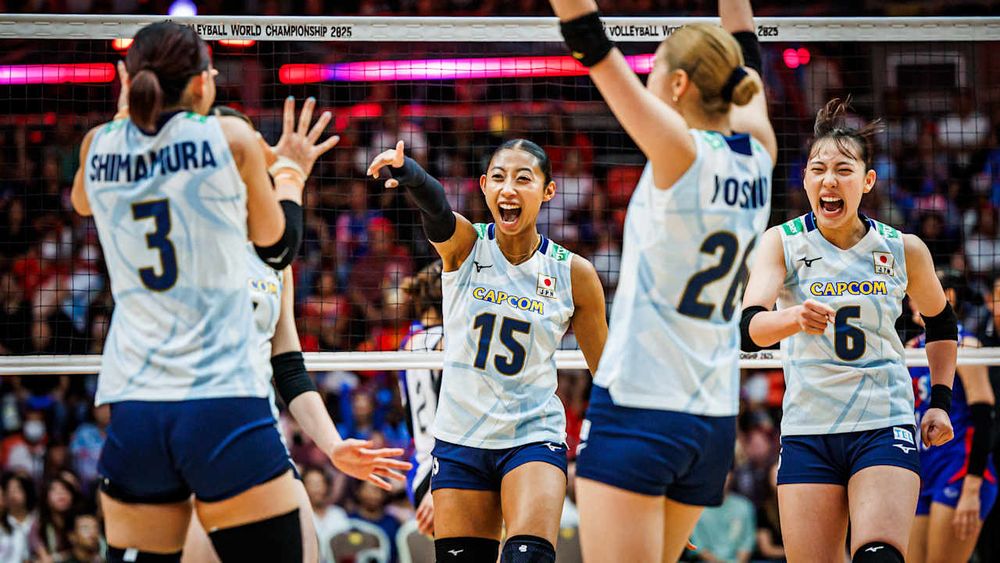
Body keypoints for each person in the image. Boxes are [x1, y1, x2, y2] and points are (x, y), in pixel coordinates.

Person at [69, 21, 338, 562]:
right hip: (219, 397)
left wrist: (129, 107)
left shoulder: (97, 145)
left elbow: (81, 202)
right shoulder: (230, 138)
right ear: (203, 85)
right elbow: (279, 246)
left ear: (129, 78)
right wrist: (290, 174)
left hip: (136, 406)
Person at [547, 0, 775, 560]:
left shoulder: (679, 150)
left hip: (642, 410)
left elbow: (590, 45)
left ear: (677, 84)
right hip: (713, 420)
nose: (643, 77)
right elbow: (746, 49)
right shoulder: (760, 153)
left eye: (651, 69)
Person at [176, 106, 412, 563]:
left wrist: (333, 445)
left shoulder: (273, 260)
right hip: (193, 433)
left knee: (305, 546)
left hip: (259, 430)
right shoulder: (188, 234)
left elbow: (287, 365)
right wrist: (290, 178)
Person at [367, 134, 608, 563]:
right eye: (498, 178)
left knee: (527, 557)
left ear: (548, 191)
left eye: (522, 179)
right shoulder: (464, 247)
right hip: (461, 440)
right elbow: (437, 209)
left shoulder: (575, 274)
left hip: (532, 436)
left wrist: (641, 469)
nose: (508, 189)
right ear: (483, 186)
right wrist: (410, 174)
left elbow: (607, 377)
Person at [740, 98, 958, 563]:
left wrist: (940, 401)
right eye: (818, 169)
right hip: (809, 427)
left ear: (867, 181)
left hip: (884, 421)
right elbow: (748, 328)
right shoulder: (782, 242)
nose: (829, 180)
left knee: (879, 556)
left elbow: (941, 321)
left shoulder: (903, 248)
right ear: (805, 180)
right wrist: (792, 318)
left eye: (843, 169)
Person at [907, 275, 996, 563]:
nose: (909, 301)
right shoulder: (910, 348)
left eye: (915, 292)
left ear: (947, 296)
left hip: (959, 468)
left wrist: (972, 487)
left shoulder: (966, 344)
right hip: (923, 470)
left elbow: (984, 417)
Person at [397, 260, 445, 537]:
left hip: (419, 468)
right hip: (444, 470)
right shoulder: (449, 342)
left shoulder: (408, 342)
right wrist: (437, 486)